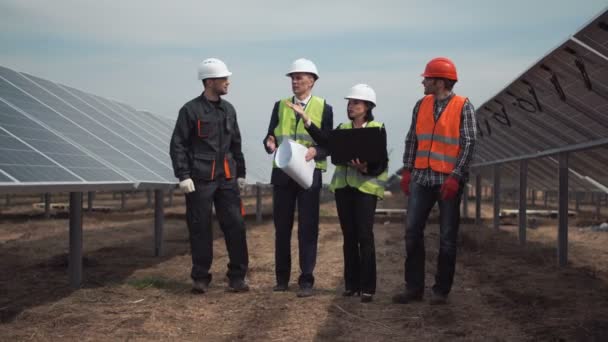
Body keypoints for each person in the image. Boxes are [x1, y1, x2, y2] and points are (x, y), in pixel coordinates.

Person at [289, 84, 388, 303]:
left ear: (367, 106)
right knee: (349, 237)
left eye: (355, 103)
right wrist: (307, 120)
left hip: (365, 190)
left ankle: (368, 287)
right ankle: (351, 285)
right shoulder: (342, 128)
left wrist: (365, 168)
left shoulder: (377, 128)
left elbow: (381, 163)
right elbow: (327, 143)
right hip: (344, 190)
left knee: (365, 236)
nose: (350, 106)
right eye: (349, 103)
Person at [392, 57, 476, 305]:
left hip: (448, 180)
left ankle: (441, 290)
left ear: (439, 82)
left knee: (447, 237)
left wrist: (456, 176)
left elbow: (469, 144)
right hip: (421, 177)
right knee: (412, 232)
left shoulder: (464, 106)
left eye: (427, 78)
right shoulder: (421, 105)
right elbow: (412, 139)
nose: (423, 81)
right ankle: (414, 288)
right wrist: (407, 171)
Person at [170, 58, 249, 294]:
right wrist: (183, 175)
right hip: (200, 180)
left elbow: (236, 143)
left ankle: (237, 277)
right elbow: (178, 145)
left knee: (235, 225)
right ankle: (201, 278)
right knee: (200, 227)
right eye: (224, 78)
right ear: (210, 81)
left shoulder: (229, 110)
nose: (228, 82)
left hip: (226, 179)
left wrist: (241, 173)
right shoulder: (190, 110)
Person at [263, 58, 333, 297]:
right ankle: (282, 279)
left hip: (308, 175)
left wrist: (317, 150)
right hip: (283, 175)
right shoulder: (279, 105)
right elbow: (270, 134)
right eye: (292, 77)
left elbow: (328, 144)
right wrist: (269, 142)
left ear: (312, 81)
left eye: (300, 77)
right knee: (282, 228)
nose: (295, 81)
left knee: (308, 228)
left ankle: (306, 280)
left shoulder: (324, 108)